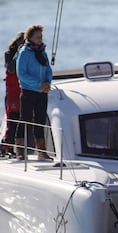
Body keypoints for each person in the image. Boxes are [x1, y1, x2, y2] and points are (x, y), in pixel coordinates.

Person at [15, 24, 53, 160]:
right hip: (28, 91)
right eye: (37, 37)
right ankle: (19, 150)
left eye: (41, 36)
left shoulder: (42, 51)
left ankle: (41, 151)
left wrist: (48, 82)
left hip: (42, 92)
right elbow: (22, 74)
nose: (40, 39)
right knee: (25, 119)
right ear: (30, 38)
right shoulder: (24, 52)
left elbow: (48, 69)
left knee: (40, 120)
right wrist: (39, 84)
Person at [2, 32, 25, 157]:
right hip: (12, 91)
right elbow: (10, 68)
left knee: (22, 118)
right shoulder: (9, 54)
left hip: (23, 89)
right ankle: (7, 145)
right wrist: (18, 53)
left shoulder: (29, 54)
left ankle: (13, 145)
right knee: (13, 118)